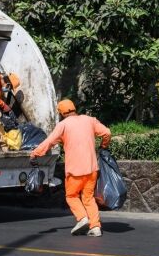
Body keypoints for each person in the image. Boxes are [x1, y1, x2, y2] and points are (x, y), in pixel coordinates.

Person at [30, 99, 111, 237]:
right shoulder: (89, 120)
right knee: (88, 198)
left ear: (61, 113)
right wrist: (103, 145)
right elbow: (107, 132)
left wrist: (35, 153)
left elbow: (49, 142)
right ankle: (95, 226)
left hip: (75, 171)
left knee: (71, 196)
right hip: (91, 168)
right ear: (74, 109)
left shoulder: (63, 125)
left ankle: (82, 218)